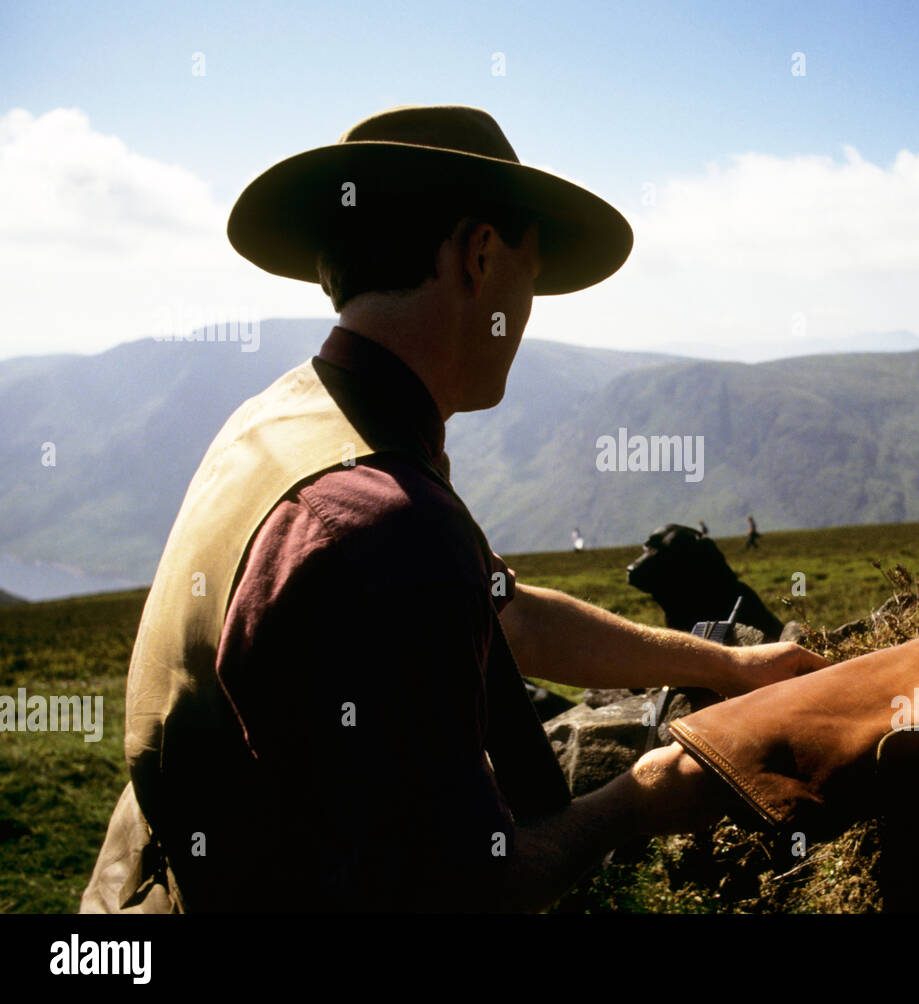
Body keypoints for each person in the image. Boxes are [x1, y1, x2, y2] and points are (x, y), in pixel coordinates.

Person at [79, 106, 826, 915]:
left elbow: (506, 617)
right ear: (478, 256)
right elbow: (463, 889)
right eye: (530, 275)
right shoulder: (381, 524)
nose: (529, 310)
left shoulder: (284, 421)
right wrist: (641, 798)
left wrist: (728, 665)